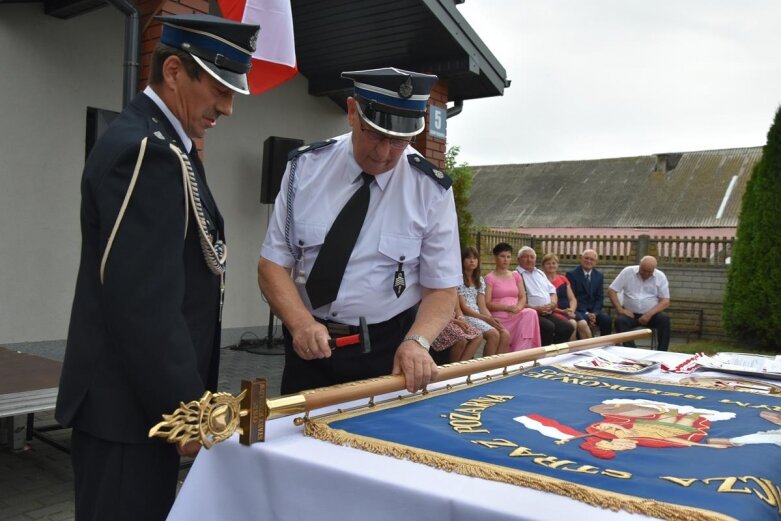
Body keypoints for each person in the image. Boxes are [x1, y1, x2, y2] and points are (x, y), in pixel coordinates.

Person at [55, 14, 260, 521]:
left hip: (136, 410)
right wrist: (187, 415)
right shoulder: (149, 152)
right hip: (129, 412)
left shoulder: (165, 147)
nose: (228, 107)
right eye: (218, 88)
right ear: (174, 70)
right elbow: (143, 307)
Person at [258, 67, 461, 395]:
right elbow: (272, 264)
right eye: (375, 134)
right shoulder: (304, 169)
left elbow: (441, 288)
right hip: (307, 343)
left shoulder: (430, 189)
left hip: (387, 348)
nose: (383, 153)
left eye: (398, 141)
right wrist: (300, 323)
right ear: (352, 112)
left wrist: (417, 342)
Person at [484, 243, 541, 350]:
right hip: (500, 315)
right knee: (528, 314)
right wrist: (506, 308)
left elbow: (523, 297)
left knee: (531, 313)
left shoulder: (515, 275)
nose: (505, 260)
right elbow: (487, 303)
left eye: (508, 257)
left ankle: (522, 351)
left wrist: (518, 308)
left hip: (516, 312)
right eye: (502, 256)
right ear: (495, 258)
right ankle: (515, 353)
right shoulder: (489, 278)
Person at [608, 256, 672, 351]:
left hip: (652, 315)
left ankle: (662, 352)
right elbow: (611, 290)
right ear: (639, 265)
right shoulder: (627, 272)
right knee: (620, 321)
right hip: (631, 314)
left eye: (649, 272)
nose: (646, 274)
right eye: (643, 270)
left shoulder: (660, 276)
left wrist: (649, 314)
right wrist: (620, 310)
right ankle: (632, 351)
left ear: (654, 269)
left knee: (665, 320)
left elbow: (665, 301)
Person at [516, 246, 575, 345]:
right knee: (548, 327)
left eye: (532, 257)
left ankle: (554, 354)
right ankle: (542, 355)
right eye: (525, 257)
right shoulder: (516, 275)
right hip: (531, 314)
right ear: (518, 259)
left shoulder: (540, 273)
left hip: (547, 312)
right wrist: (535, 309)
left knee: (567, 328)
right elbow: (517, 300)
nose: (529, 259)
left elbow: (552, 291)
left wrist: (553, 303)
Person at [458, 246, 510, 356]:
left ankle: (497, 366)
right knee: (493, 334)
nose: (472, 261)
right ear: (462, 260)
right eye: (468, 258)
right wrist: (486, 318)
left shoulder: (480, 280)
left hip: (478, 315)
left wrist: (491, 318)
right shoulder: (458, 279)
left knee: (505, 333)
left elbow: (482, 306)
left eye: (475, 258)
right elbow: (464, 308)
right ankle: (486, 368)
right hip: (466, 316)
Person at [541, 253, 587, 341]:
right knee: (572, 323)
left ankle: (591, 349)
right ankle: (571, 352)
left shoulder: (563, 279)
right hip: (554, 312)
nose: (551, 265)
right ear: (543, 266)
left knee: (583, 323)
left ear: (557, 265)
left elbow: (572, 299)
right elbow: (546, 304)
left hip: (568, 311)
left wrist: (571, 310)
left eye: (554, 263)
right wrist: (563, 311)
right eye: (548, 263)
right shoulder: (541, 281)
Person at [567, 249, 611, 337]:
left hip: (594, 311)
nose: (588, 261)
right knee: (585, 319)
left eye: (592, 259)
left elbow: (600, 297)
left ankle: (605, 345)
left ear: (596, 262)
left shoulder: (599, 276)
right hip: (579, 310)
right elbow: (572, 298)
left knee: (606, 319)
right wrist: (587, 314)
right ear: (581, 259)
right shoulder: (571, 274)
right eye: (586, 258)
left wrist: (594, 313)